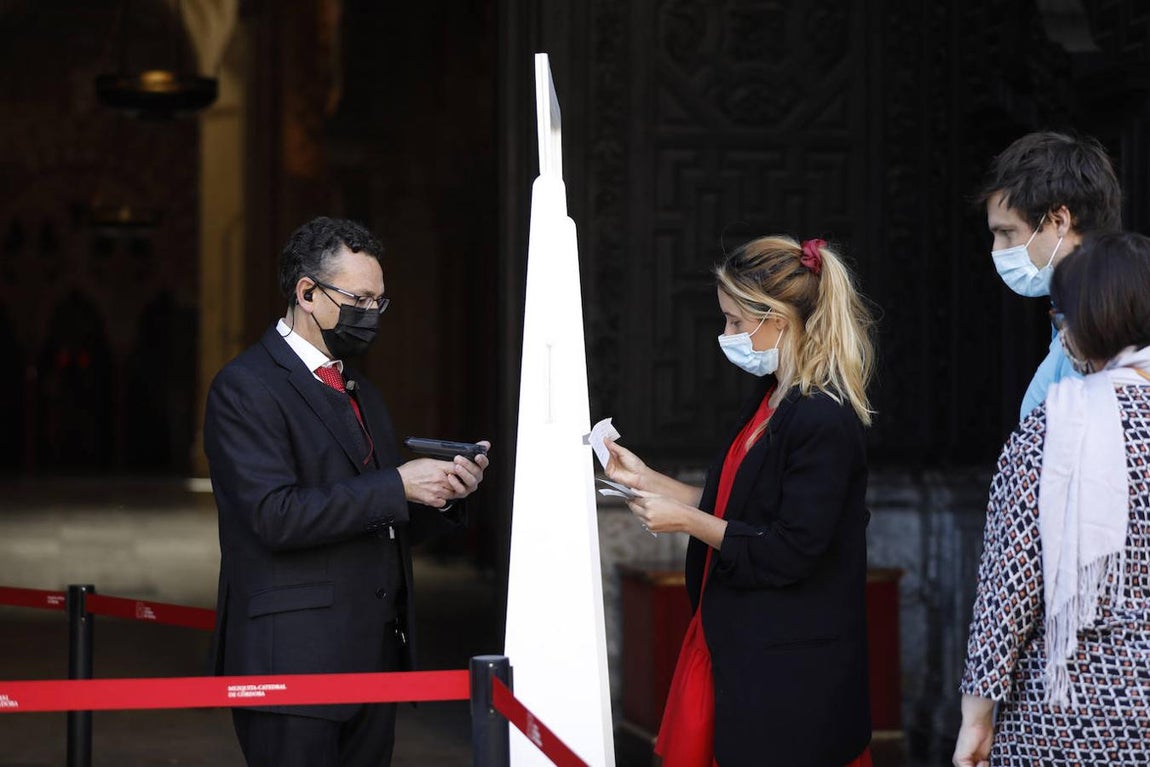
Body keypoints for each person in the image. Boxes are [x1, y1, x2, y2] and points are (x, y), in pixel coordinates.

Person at [203, 216, 490, 767]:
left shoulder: (361, 390)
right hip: (292, 662)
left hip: (372, 658)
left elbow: (382, 514)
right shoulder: (245, 387)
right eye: (359, 299)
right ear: (306, 293)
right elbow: (272, 516)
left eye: (380, 303)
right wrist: (398, 482)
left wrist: (445, 491)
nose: (371, 315)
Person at [605, 236, 875, 767]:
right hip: (735, 641)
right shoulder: (771, 398)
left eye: (734, 321)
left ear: (776, 319)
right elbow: (736, 505)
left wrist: (684, 520)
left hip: (788, 673)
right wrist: (648, 481)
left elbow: (789, 550)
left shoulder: (823, 418)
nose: (725, 334)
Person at [954, 231, 1150, 766]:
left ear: (1080, 326)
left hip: (1059, 715)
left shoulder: (1049, 431)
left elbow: (1006, 592)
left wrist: (977, 718)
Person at [980, 131, 1122, 419]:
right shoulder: (1076, 318)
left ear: (1059, 220)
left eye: (1007, 233)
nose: (998, 250)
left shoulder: (1105, 330)